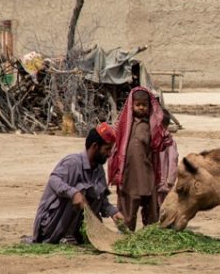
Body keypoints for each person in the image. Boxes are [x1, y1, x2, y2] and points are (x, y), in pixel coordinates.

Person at [31, 122, 123, 244]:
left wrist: (113, 212)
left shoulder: (98, 169)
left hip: (77, 227)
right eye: (107, 149)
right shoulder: (72, 162)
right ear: (95, 146)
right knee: (80, 192)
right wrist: (73, 193)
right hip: (52, 225)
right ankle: (64, 235)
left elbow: (101, 200)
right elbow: (54, 180)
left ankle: (77, 235)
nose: (109, 154)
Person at [108, 87, 169, 231]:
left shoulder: (152, 126)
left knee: (151, 206)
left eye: (144, 105)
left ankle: (150, 233)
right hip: (128, 175)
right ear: (132, 105)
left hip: (147, 174)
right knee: (128, 205)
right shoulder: (124, 126)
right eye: (138, 104)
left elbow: (159, 146)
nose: (141, 108)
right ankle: (127, 234)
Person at [157, 110, 179, 206]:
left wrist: (170, 180)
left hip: (162, 182)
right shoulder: (166, 140)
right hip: (162, 182)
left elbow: (173, 160)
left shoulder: (168, 141)